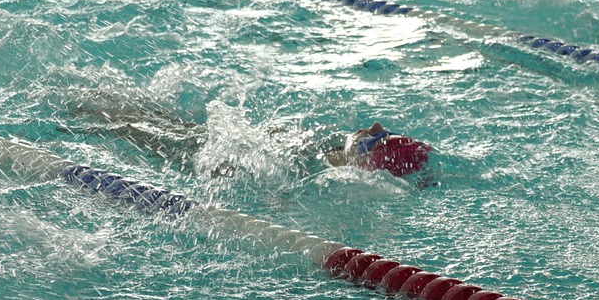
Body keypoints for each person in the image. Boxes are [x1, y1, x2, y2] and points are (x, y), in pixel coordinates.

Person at [60, 90, 434, 179]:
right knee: (150, 116)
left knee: (134, 128)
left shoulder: (311, 172)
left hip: (202, 156)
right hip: (210, 142)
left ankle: (82, 115)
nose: (375, 127)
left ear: (362, 160)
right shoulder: (322, 151)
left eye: (377, 138)